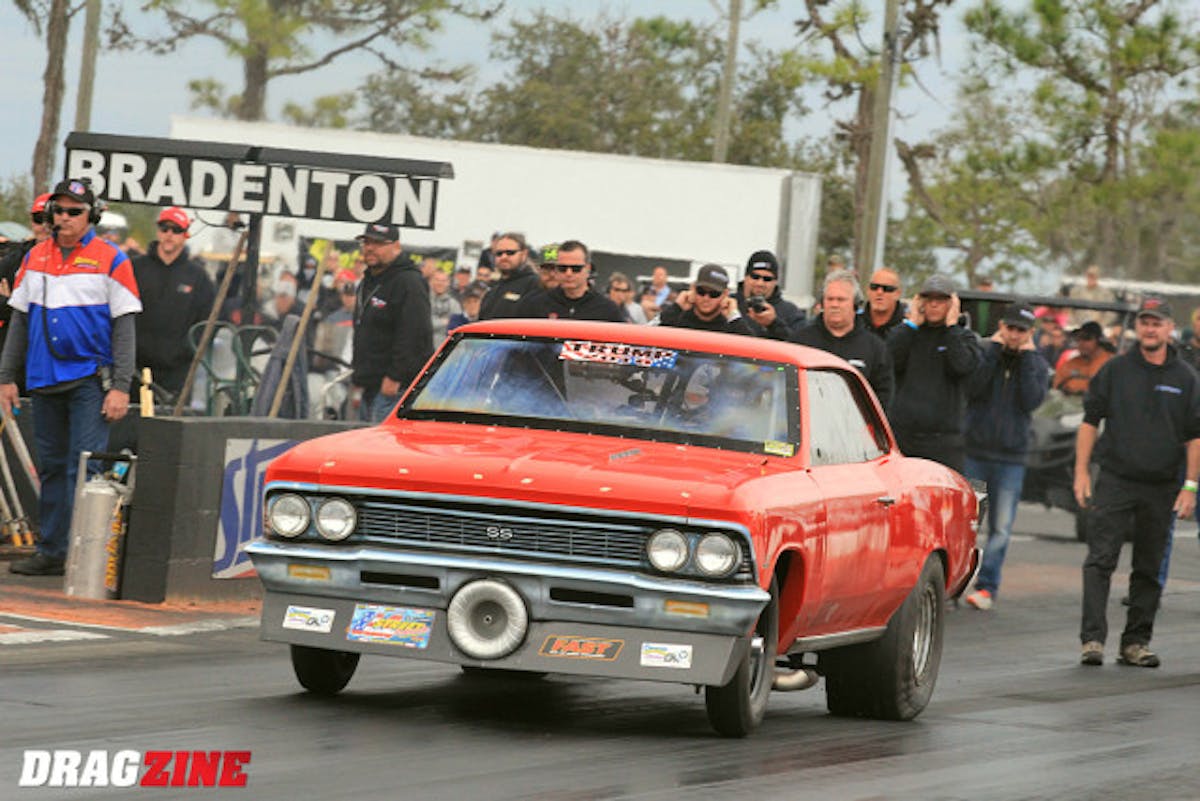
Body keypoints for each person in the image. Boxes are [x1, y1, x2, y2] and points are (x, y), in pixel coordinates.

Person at [0, 179, 142, 576]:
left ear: (90, 216)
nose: (65, 218)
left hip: (88, 379)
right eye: (59, 211)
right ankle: (53, 550)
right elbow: (20, 321)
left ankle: (86, 554)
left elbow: (125, 328)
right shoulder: (35, 258)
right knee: (51, 466)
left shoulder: (112, 258)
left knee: (83, 469)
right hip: (44, 379)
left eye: (74, 211)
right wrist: (6, 377)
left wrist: (120, 386)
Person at [1074, 295, 1200, 668]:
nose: (1150, 327)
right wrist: (1081, 471)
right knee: (1100, 560)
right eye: (1145, 321)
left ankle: (1135, 643)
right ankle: (1092, 640)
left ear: (1168, 328)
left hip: (1162, 485)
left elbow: (1195, 436)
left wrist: (1190, 486)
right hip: (1115, 478)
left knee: (1148, 566)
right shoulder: (1115, 370)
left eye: (1157, 322)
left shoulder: (1186, 379)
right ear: (1137, 327)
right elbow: (1089, 421)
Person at [961, 303, 1049, 611]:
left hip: (1011, 458)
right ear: (1001, 326)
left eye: (1020, 330)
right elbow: (973, 388)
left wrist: (1027, 357)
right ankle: (957, 583)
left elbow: (1031, 400)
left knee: (1000, 527)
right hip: (976, 451)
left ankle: (987, 586)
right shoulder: (985, 352)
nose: (1013, 335)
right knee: (968, 523)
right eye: (1010, 328)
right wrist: (993, 352)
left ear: (1030, 334)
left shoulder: (1035, 362)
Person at [887, 274, 983, 472]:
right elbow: (889, 360)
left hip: (944, 442)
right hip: (904, 437)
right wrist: (912, 322)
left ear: (952, 304)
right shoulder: (906, 333)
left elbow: (961, 366)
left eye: (940, 300)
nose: (933, 305)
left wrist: (952, 327)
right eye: (928, 299)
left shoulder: (964, 337)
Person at [350, 223, 433, 423]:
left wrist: (396, 375)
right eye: (366, 242)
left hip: (394, 387)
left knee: (379, 447)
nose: (370, 248)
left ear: (396, 246)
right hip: (369, 383)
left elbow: (415, 333)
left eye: (378, 243)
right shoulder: (368, 280)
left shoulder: (409, 282)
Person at [130, 207, 216, 397]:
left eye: (176, 230)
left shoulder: (198, 276)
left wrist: (188, 352)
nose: (169, 234)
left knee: (171, 424)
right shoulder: (134, 268)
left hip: (177, 373)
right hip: (133, 369)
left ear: (185, 234)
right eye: (164, 228)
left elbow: (208, 321)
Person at [786, 269, 893, 406]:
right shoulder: (799, 342)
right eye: (830, 299)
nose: (834, 305)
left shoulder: (876, 349)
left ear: (855, 305)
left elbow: (883, 399)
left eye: (841, 299)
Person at [0, 193, 53, 363]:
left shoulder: (74, 260)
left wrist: (12, 301)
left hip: (52, 351)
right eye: (39, 219)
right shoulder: (15, 257)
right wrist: (9, 305)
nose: (44, 226)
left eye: (49, 219)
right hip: (13, 350)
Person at [514, 240, 623, 322]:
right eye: (563, 268)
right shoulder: (534, 304)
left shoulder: (607, 309)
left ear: (588, 269)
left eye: (576, 269)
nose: (568, 273)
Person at [657, 264, 754, 335]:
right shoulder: (675, 318)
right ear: (693, 289)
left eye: (714, 294)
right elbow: (645, 336)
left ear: (725, 294)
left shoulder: (733, 326)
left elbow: (754, 353)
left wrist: (734, 316)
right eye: (701, 291)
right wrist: (676, 307)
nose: (706, 298)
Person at [733, 250, 806, 339]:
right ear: (745, 277)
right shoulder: (729, 304)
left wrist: (773, 324)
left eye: (767, 279)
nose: (760, 283)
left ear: (775, 282)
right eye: (755, 277)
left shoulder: (791, 313)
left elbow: (799, 347)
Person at [478, 233, 542, 320]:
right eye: (499, 253)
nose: (504, 257)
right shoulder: (492, 290)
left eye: (510, 253)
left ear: (524, 254)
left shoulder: (535, 284)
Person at [1053, 321, 1112, 395]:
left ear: (1099, 341)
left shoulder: (1111, 363)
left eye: (1087, 338)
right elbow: (1055, 390)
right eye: (1078, 338)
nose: (1081, 343)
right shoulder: (1070, 364)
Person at [861, 267, 906, 340]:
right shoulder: (853, 324)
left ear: (898, 294)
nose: (879, 292)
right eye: (874, 287)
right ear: (868, 290)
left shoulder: (907, 330)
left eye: (887, 288)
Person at [428, 268, 462, 342]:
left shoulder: (454, 304)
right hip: (424, 346)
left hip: (444, 347)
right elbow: (424, 324)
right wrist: (445, 322)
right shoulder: (424, 300)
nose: (440, 283)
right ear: (430, 281)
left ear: (448, 283)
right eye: (437, 280)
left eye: (443, 281)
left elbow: (456, 327)